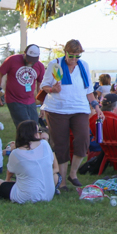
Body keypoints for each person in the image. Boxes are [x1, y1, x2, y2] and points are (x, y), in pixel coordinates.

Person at [40, 39, 91, 189]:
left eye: (77, 56)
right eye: (71, 55)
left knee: (83, 139)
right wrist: (52, 89)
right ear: (65, 52)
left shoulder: (84, 66)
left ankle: (73, 173)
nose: (74, 59)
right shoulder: (54, 64)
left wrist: (96, 106)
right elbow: (44, 85)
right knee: (61, 143)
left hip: (80, 108)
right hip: (57, 109)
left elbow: (88, 89)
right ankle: (62, 180)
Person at [0, 120, 59, 203]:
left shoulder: (16, 153)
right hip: (49, 194)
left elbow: (10, 173)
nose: (40, 133)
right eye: (38, 131)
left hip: (28, 197)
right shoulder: (45, 145)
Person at [0, 44, 45, 130]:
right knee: (25, 127)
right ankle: (24, 143)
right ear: (25, 53)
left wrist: (43, 105)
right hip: (14, 99)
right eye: (29, 59)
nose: (30, 62)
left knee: (35, 126)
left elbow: (41, 86)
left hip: (30, 100)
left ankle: (26, 143)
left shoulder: (39, 66)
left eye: (33, 60)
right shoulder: (12, 60)